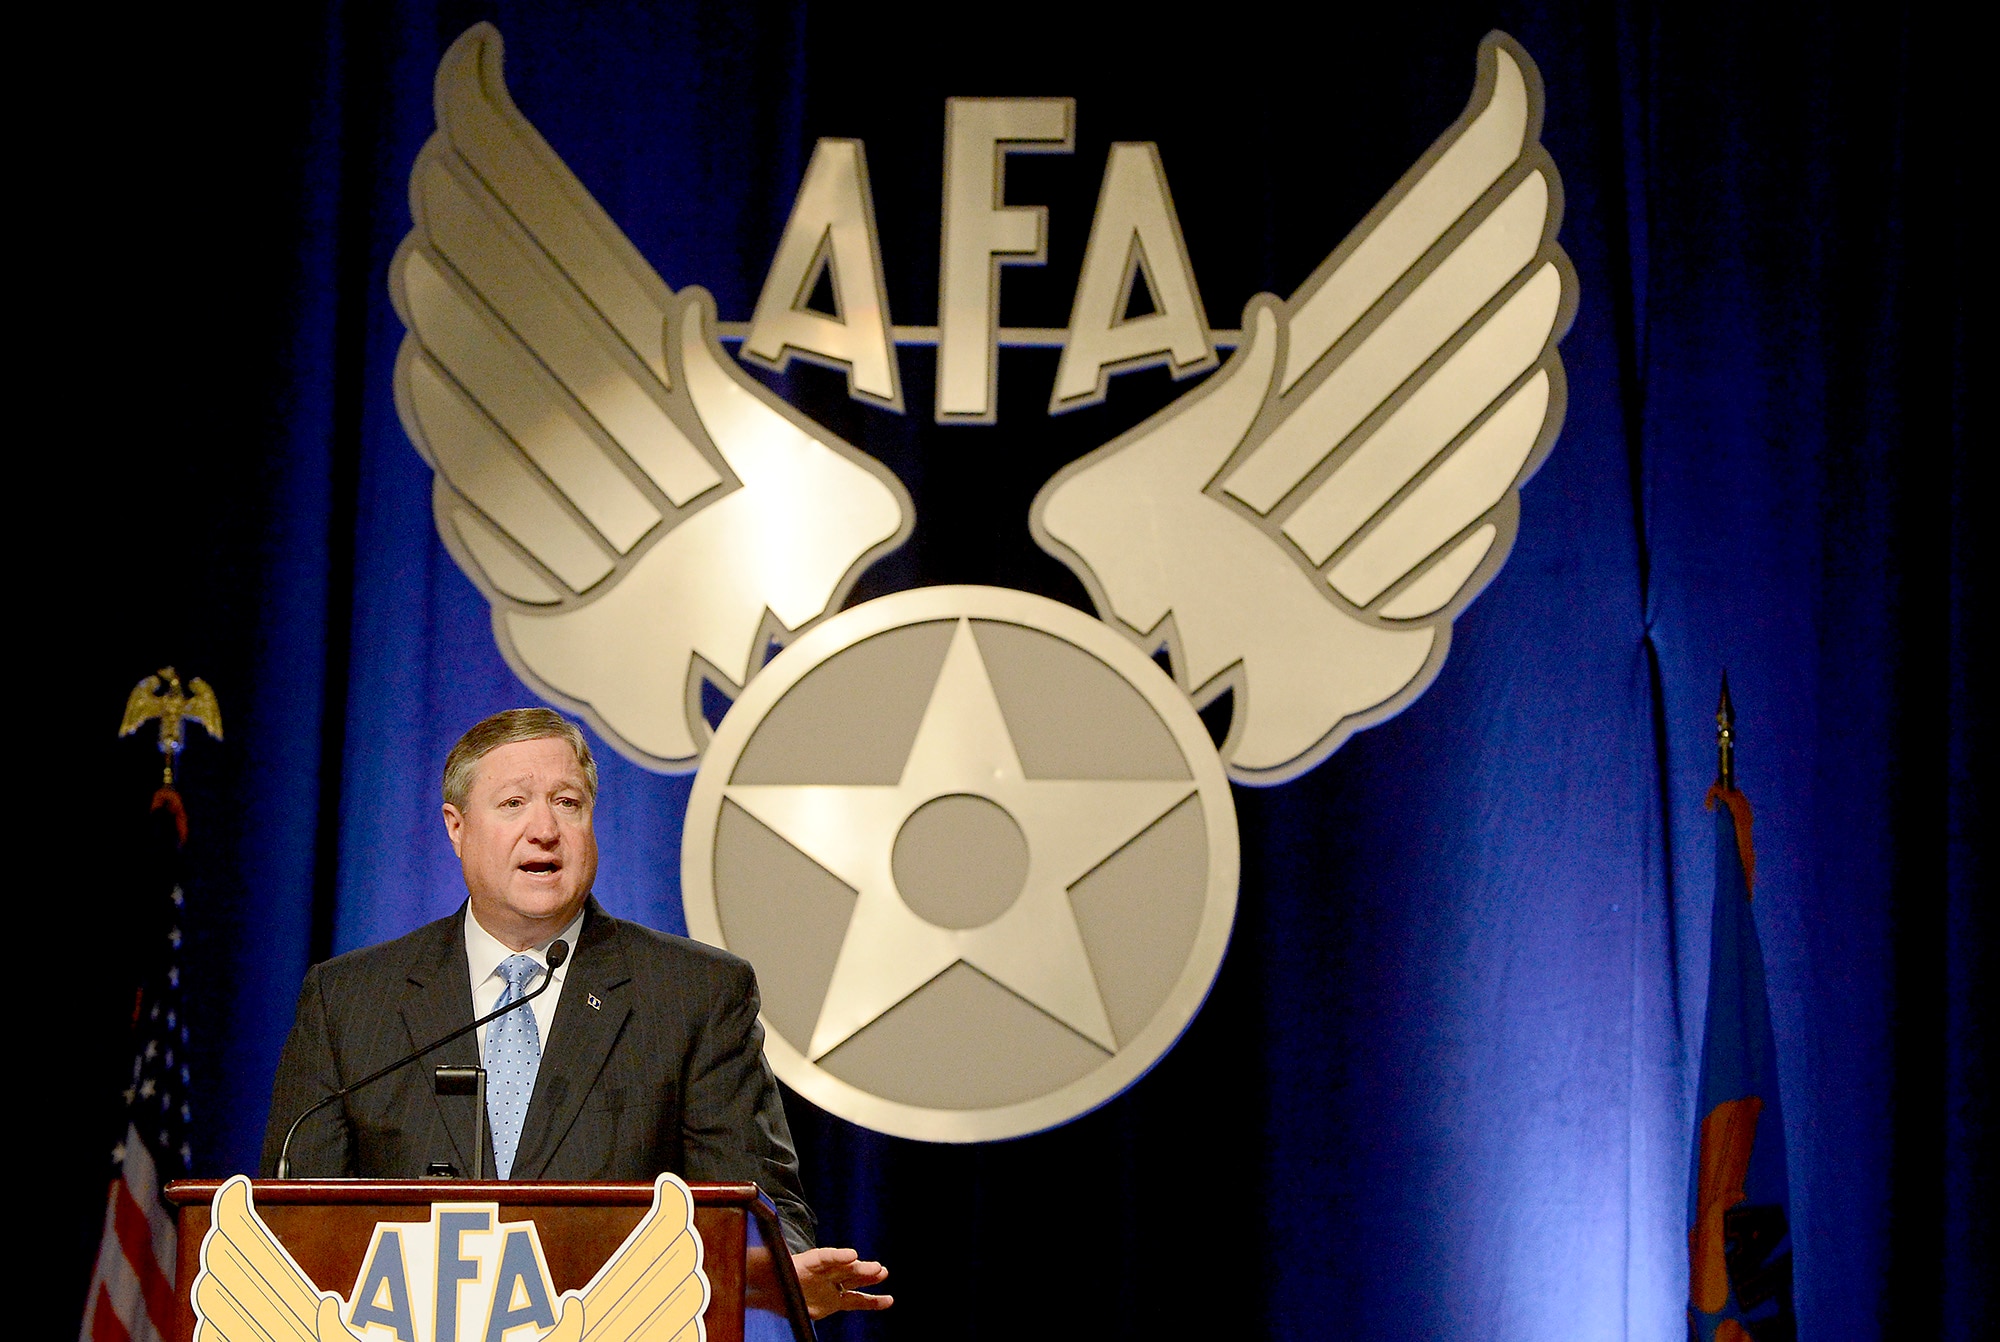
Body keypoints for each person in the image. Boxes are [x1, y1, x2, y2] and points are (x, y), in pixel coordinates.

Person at [260, 707, 890, 1318]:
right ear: (456, 827)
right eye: (513, 804)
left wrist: (772, 1270)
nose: (544, 830)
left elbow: (757, 1207)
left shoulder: (693, 995)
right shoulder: (350, 1000)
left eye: (567, 803)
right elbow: (292, 1230)